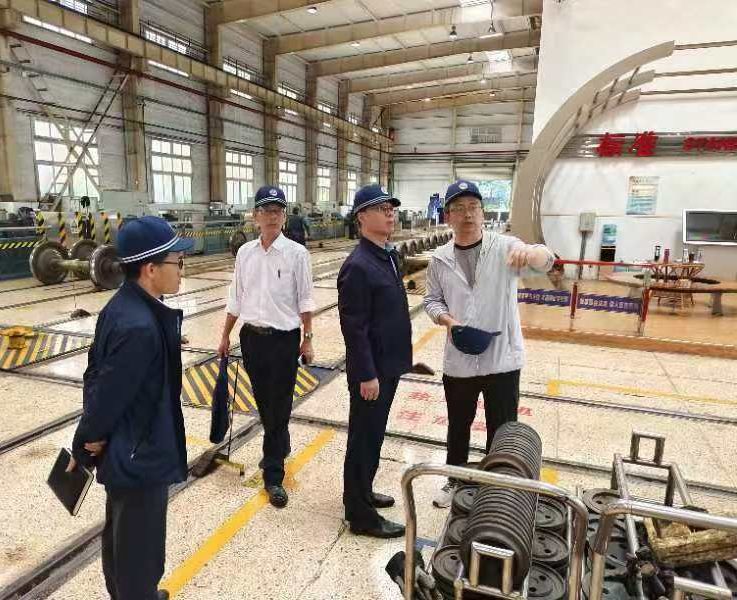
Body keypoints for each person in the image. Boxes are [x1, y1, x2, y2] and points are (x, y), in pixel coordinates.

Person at [67, 215, 193, 600]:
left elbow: (95, 373)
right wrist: (86, 441)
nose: (182, 269)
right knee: (140, 554)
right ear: (150, 269)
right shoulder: (139, 327)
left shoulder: (122, 306)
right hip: (141, 455)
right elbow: (108, 392)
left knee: (123, 543)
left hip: (128, 448)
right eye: (177, 261)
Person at [423, 180, 555, 508]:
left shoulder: (506, 247)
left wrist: (533, 252)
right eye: (459, 209)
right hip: (459, 360)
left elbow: (547, 261)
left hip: (502, 359)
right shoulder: (439, 258)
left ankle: (496, 488)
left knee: (502, 428)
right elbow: (431, 301)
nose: (467, 215)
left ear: (484, 213)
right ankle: (454, 479)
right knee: (458, 425)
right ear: (448, 216)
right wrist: (448, 321)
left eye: (473, 207)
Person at [218, 186, 316, 508]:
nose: (272, 216)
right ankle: (280, 443)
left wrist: (308, 338)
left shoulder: (297, 254)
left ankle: (273, 474)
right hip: (251, 339)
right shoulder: (245, 253)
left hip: (284, 341)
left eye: (278, 210)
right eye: (266, 210)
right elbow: (236, 298)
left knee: (280, 406)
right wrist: (225, 335)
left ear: (284, 216)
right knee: (264, 403)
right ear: (255, 216)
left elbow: (305, 299)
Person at [338, 184, 412, 538]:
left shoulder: (387, 255)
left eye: (391, 207)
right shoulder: (358, 266)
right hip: (372, 372)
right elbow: (354, 330)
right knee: (363, 439)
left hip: (388, 365)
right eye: (381, 208)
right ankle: (360, 515)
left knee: (374, 435)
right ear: (361, 217)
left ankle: (363, 491)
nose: (390, 213)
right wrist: (367, 374)